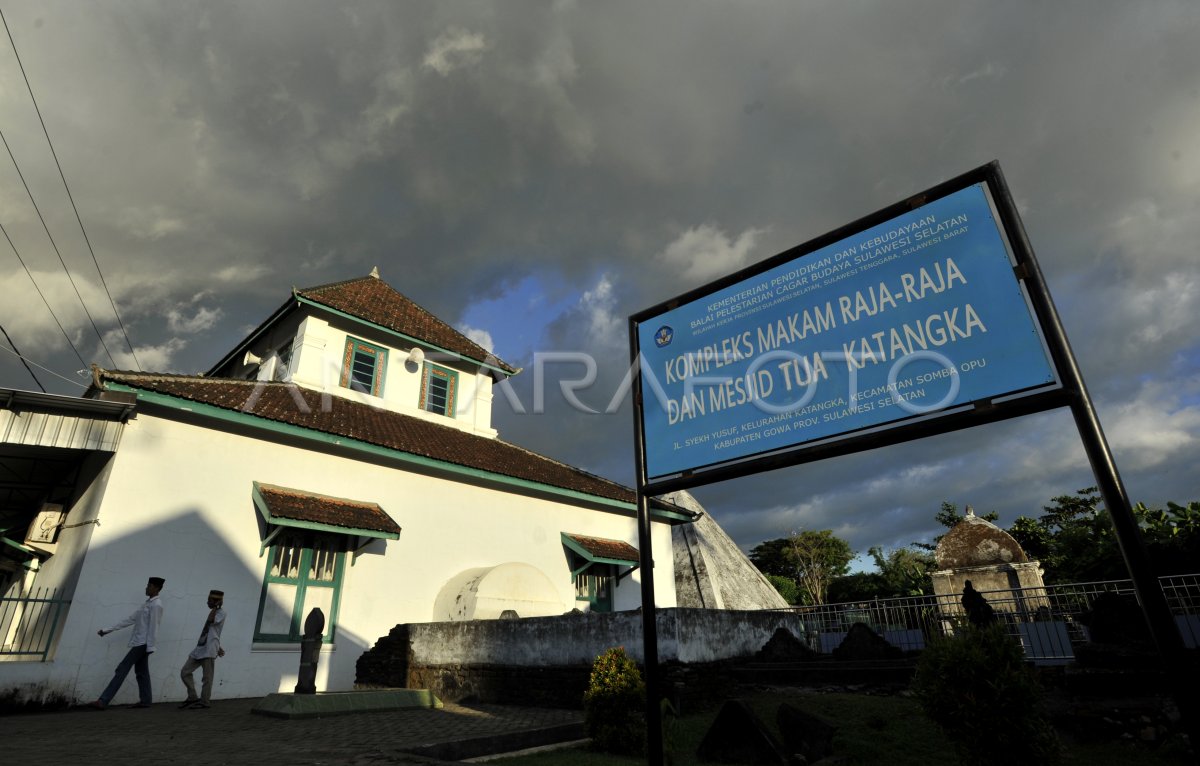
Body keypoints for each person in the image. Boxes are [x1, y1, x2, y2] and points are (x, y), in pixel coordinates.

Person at [89, 576, 165, 709]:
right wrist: (108, 630)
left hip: (143, 644)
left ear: (157, 588)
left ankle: (103, 700)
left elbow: (154, 627)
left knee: (122, 668)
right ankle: (146, 701)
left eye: (150, 586)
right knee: (141, 672)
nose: (146, 588)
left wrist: (151, 646)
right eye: (147, 585)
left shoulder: (156, 605)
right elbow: (130, 619)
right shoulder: (147, 604)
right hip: (139, 643)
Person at [179, 589, 226, 709]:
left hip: (209, 650)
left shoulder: (220, 613)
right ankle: (192, 697)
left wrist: (216, 606)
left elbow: (212, 621)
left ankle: (205, 702)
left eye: (209, 600)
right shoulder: (213, 612)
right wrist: (218, 646)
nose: (207, 603)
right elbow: (211, 632)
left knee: (207, 678)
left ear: (215, 602)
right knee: (185, 672)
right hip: (200, 648)